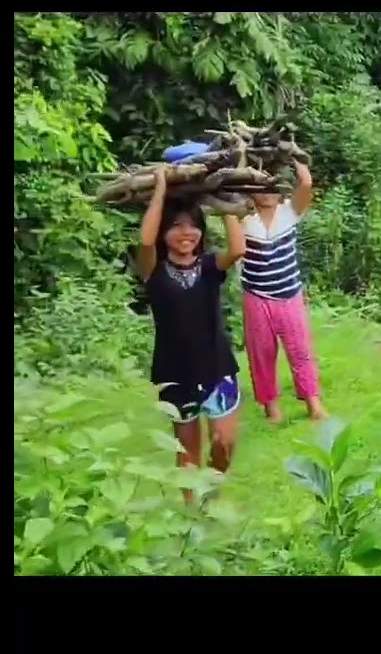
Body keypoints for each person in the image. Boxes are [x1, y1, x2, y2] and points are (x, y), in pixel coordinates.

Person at [137, 150, 247, 505]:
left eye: (193, 225)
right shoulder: (152, 271)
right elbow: (144, 242)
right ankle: (191, 514)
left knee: (224, 443)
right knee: (187, 451)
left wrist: (225, 196)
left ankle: (213, 487)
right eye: (177, 226)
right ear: (165, 232)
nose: (187, 233)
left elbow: (238, 247)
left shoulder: (210, 265)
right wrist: (160, 189)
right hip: (175, 373)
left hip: (218, 367)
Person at [238, 156, 326, 422]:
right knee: (261, 352)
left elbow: (306, 182)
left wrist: (297, 158)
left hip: (289, 293)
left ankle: (313, 403)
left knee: (300, 348)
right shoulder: (243, 219)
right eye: (260, 187)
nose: (267, 193)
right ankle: (270, 407)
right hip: (256, 295)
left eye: (272, 186)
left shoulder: (290, 212)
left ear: (281, 191)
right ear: (251, 193)